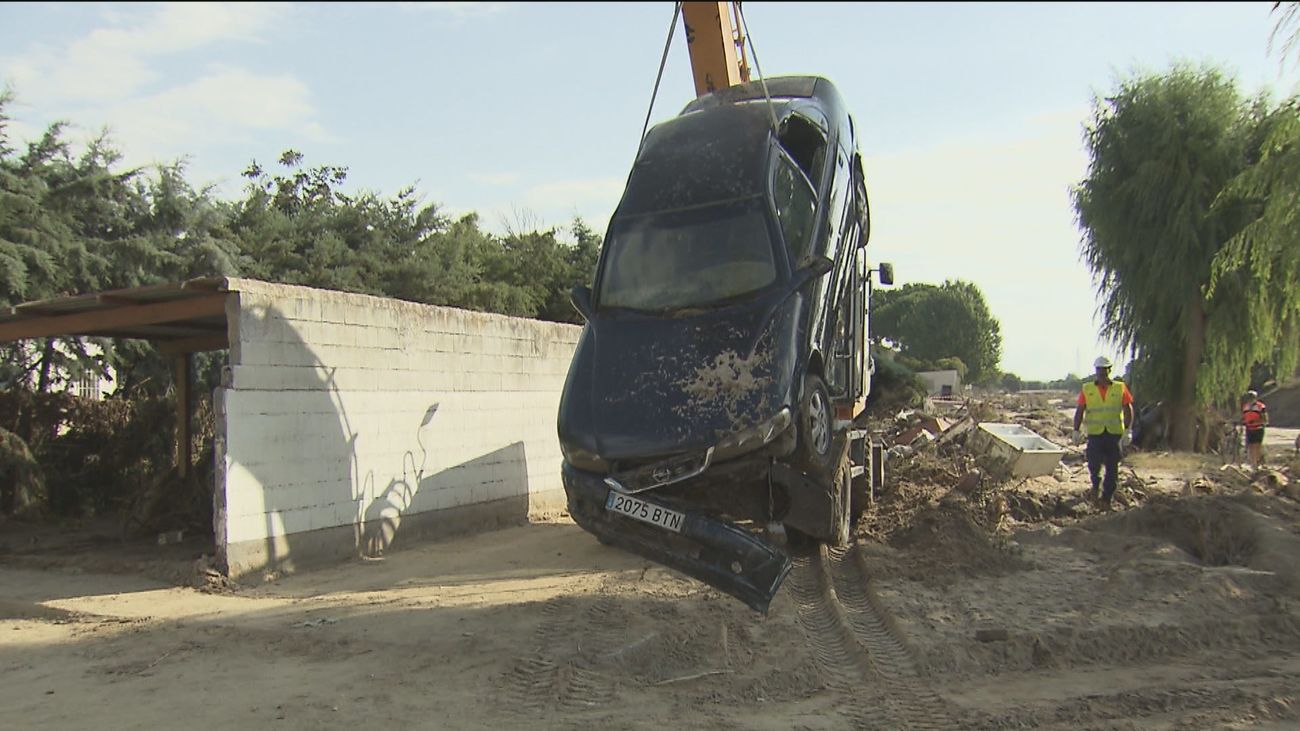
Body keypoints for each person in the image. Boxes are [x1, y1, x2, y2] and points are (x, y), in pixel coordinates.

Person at [1072, 356, 1135, 506]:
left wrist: (1128, 430)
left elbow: (1128, 409)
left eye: (1104, 369)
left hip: (1114, 434)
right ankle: (1096, 485)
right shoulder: (1087, 389)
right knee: (1093, 464)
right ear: (1096, 371)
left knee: (1112, 467)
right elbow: (1080, 410)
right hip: (1095, 434)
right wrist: (1076, 430)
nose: (1101, 373)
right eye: (1099, 370)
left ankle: (1107, 498)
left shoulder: (1120, 387)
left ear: (1109, 370)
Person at [1241, 390, 1268, 467]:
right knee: (1250, 446)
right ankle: (1252, 463)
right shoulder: (1245, 406)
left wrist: (1256, 422)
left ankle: (1257, 463)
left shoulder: (1260, 406)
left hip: (1258, 428)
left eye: (1252, 398)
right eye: (1249, 398)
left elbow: (1265, 419)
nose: (1250, 399)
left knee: (1256, 446)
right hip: (1249, 429)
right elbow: (1244, 417)